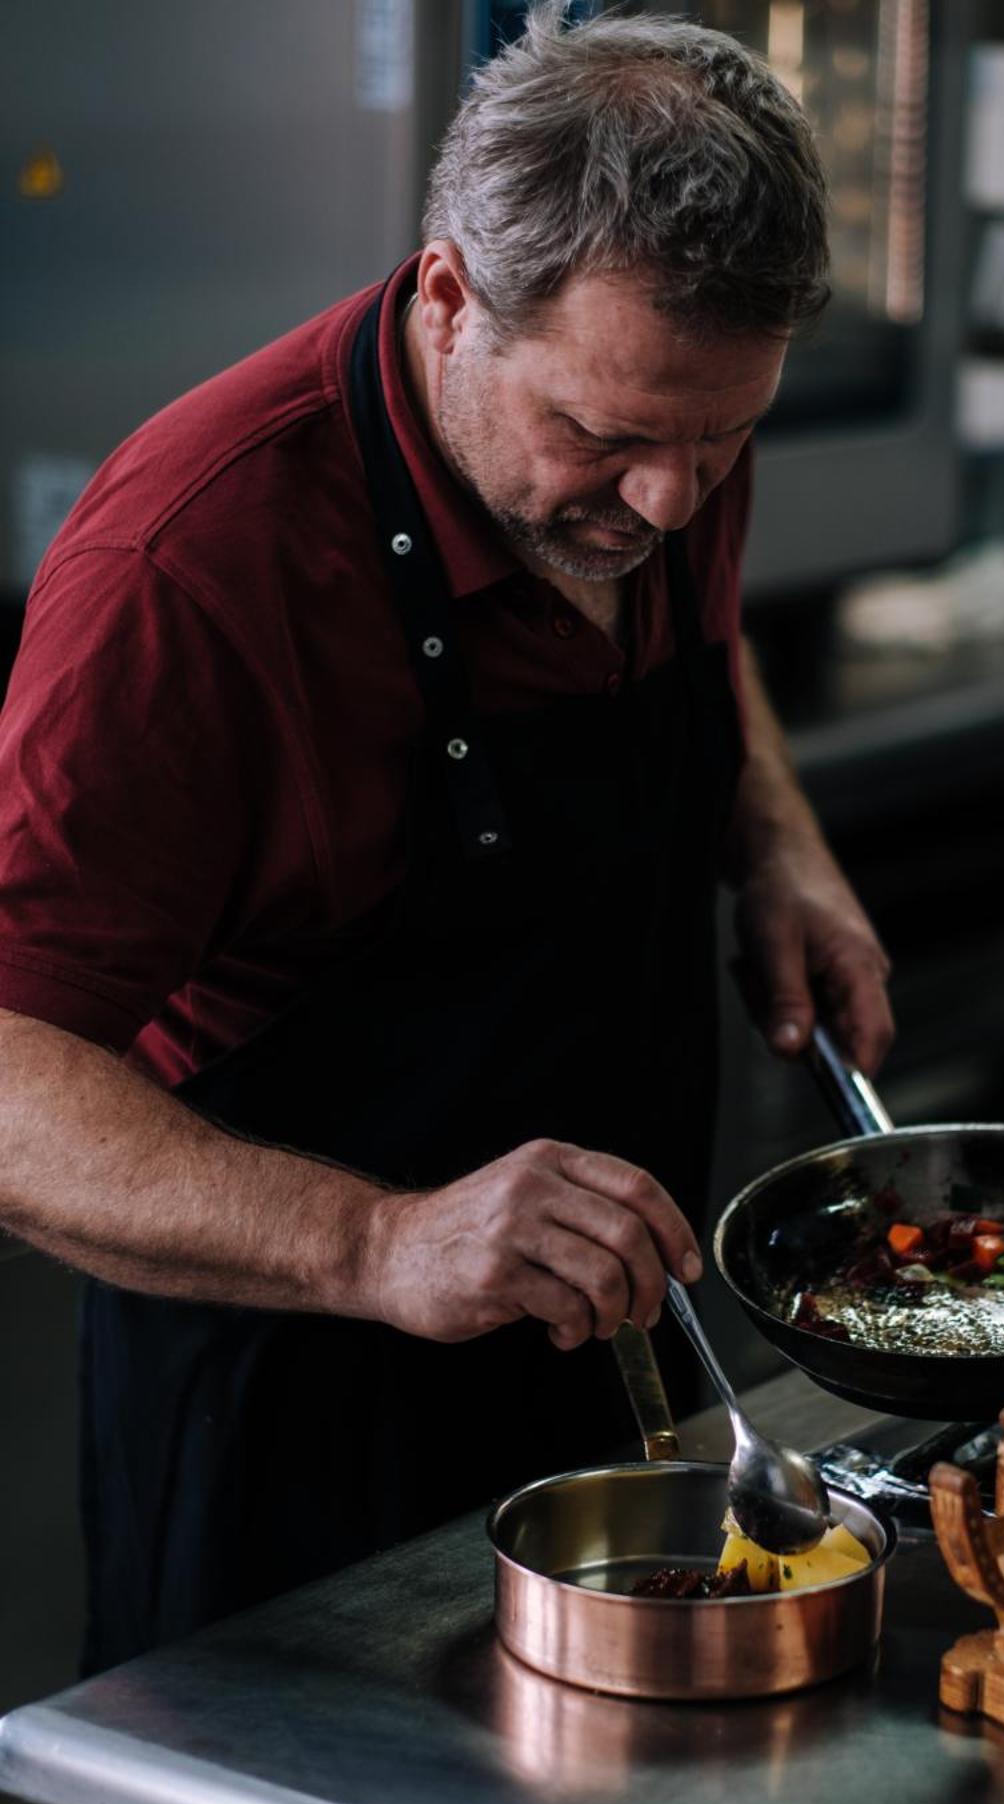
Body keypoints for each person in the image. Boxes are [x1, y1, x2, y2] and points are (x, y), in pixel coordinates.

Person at [0, 4, 893, 1672]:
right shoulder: (191, 573)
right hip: (298, 1421)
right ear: (447, 301)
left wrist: (766, 829)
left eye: (724, 440)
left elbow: (691, 616)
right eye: (610, 440)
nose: (671, 504)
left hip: (606, 1361)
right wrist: (379, 1240)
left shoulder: (662, 427)